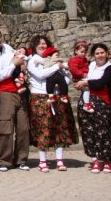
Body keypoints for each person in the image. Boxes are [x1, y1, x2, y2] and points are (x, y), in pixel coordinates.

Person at [27, 35, 78, 173]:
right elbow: (40, 75)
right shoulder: (33, 61)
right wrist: (56, 66)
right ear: (34, 46)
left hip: (57, 96)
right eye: (39, 44)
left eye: (44, 43)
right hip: (40, 96)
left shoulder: (55, 60)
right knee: (42, 129)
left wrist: (59, 69)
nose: (42, 46)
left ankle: (59, 160)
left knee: (59, 128)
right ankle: (42, 161)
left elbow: (66, 79)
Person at [0, 24, 30, 172]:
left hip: (20, 90)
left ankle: (21, 159)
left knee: (23, 127)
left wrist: (22, 64)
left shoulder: (8, 48)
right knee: (6, 127)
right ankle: (4, 160)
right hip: (4, 93)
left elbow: (21, 59)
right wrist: (13, 65)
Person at [74, 43, 111, 174]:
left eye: (102, 53)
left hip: (102, 102)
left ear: (107, 53)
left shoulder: (110, 68)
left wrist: (86, 82)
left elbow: (102, 83)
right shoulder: (90, 65)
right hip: (86, 100)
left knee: (104, 131)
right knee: (88, 131)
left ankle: (107, 160)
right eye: (97, 53)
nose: (100, 55)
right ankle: (95, 160)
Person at [69, 40, 93, 113]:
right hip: (78, 78)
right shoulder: (74, 60)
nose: (84, 54)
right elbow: (73, 69)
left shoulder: (84, 59)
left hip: (84, 77)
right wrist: (82, 74)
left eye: (85, 52)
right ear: (76, 51)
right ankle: (86, 104)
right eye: (82, 52)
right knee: (86, 89)